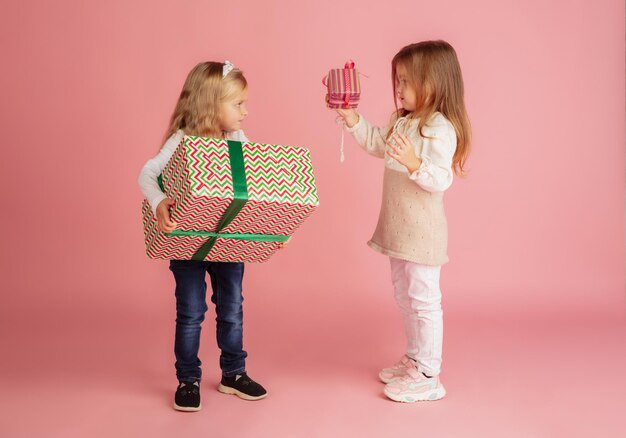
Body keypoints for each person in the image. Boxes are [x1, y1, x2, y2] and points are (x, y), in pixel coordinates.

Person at [333, 41, 471, 402]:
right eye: (398, 80)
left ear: (435, 84)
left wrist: (414, 163)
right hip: (398, 229)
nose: (398, 88)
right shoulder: (402, 121)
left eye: (407, 81)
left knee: (424, 300)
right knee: (404, 296)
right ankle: (414, 357)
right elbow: (378, 142)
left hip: (423, 233)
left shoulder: (438, 129)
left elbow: (441, 179)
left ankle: (429, 373)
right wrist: (353, 120)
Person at [138, 61, 267, 411]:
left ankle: (233, 374)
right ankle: (188, 378)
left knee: (232, 310)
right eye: (237, 104)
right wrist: (160, 201)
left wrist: (271, 230)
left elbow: (255, 189)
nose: (245, 111)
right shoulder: (182, 140)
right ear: (211, 104)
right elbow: (147, 175)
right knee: (191, 312)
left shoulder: (237, 140)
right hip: (189, 243)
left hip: (228, 244)